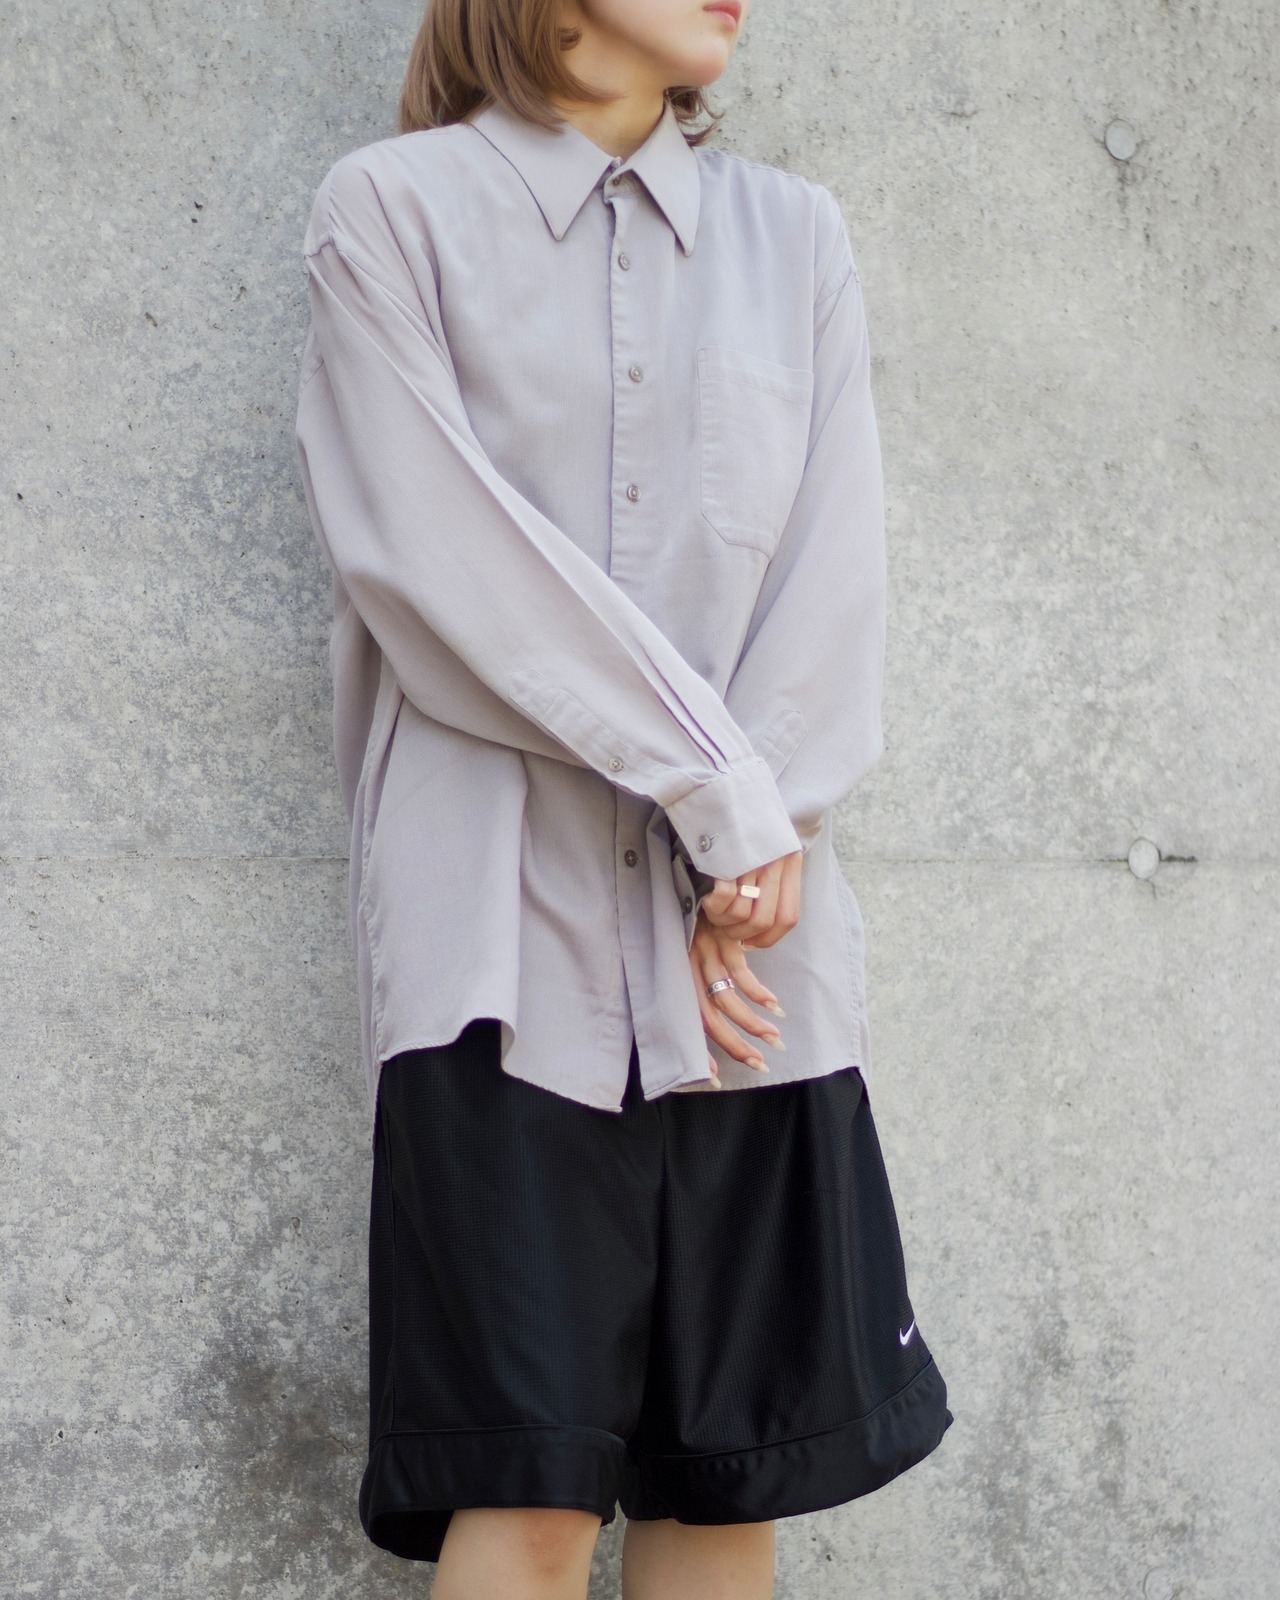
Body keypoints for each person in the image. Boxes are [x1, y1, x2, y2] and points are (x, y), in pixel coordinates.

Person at [293, 0, 953, 1594]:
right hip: (498, 954)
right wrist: (720, 798)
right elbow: (441, 562)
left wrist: (762, 832)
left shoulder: (794, 238)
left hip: (756, 961)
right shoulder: (392, 212)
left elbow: (833, 575)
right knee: (522, 1492)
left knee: (727, 1484)